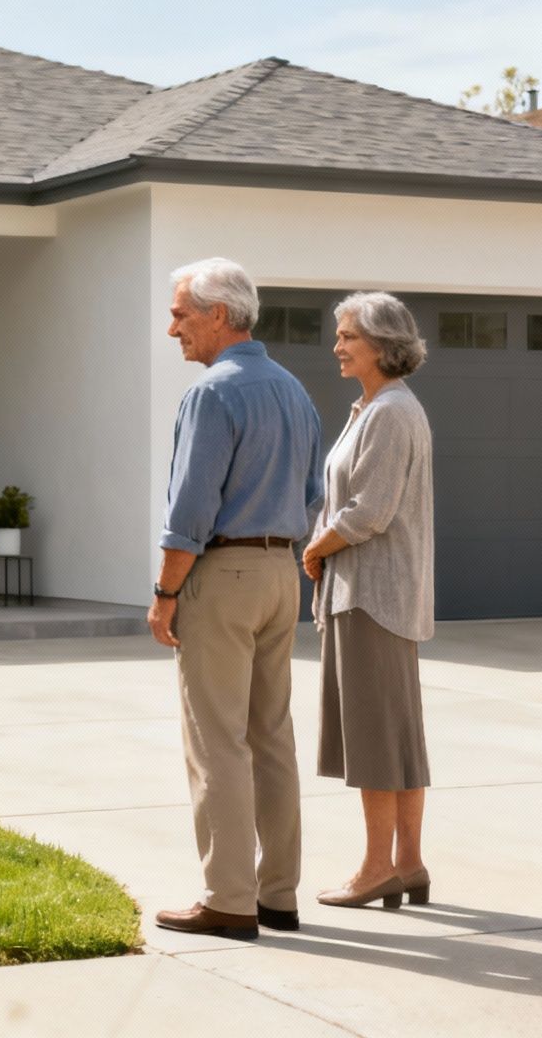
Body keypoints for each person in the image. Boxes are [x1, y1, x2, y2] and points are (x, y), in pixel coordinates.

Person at [149, 257, 324, 941]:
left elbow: (190, 510)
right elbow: (313, 492)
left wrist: (166, 593)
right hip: (282, 574)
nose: (173, 329)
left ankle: (228, 898)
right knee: (270, 736)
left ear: (219, 315)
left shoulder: (214, 394)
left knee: (216, 739)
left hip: (223, 576)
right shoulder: (293, 389)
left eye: (181, 314)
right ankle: (277, 893)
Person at [300, 292, 435, 910]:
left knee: (378, 741)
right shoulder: (376, 408)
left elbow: (368, 512)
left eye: (348, 335)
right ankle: (406, 863)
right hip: (376, 594)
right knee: (397, 738)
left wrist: (316, 547)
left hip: (371, 596)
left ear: (381, 344)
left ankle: (378, 867)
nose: (337, 346)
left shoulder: (388, 413)